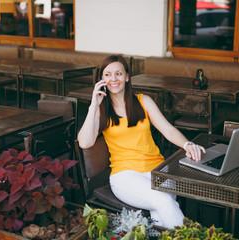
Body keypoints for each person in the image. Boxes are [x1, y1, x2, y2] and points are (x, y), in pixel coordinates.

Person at [77, 55, 205, 229]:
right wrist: (93, 105)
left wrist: (187, 144)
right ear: (102, 79)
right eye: (107, 75)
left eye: (118, 73)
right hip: (124, 175)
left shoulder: (143, 101)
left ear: (127, 76)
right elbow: (84, 143)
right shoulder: (101, 110)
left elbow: (167, 129)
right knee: (164, 201)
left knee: (161, 208)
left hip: (159, 169)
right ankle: (193, 235)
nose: (113, 79)